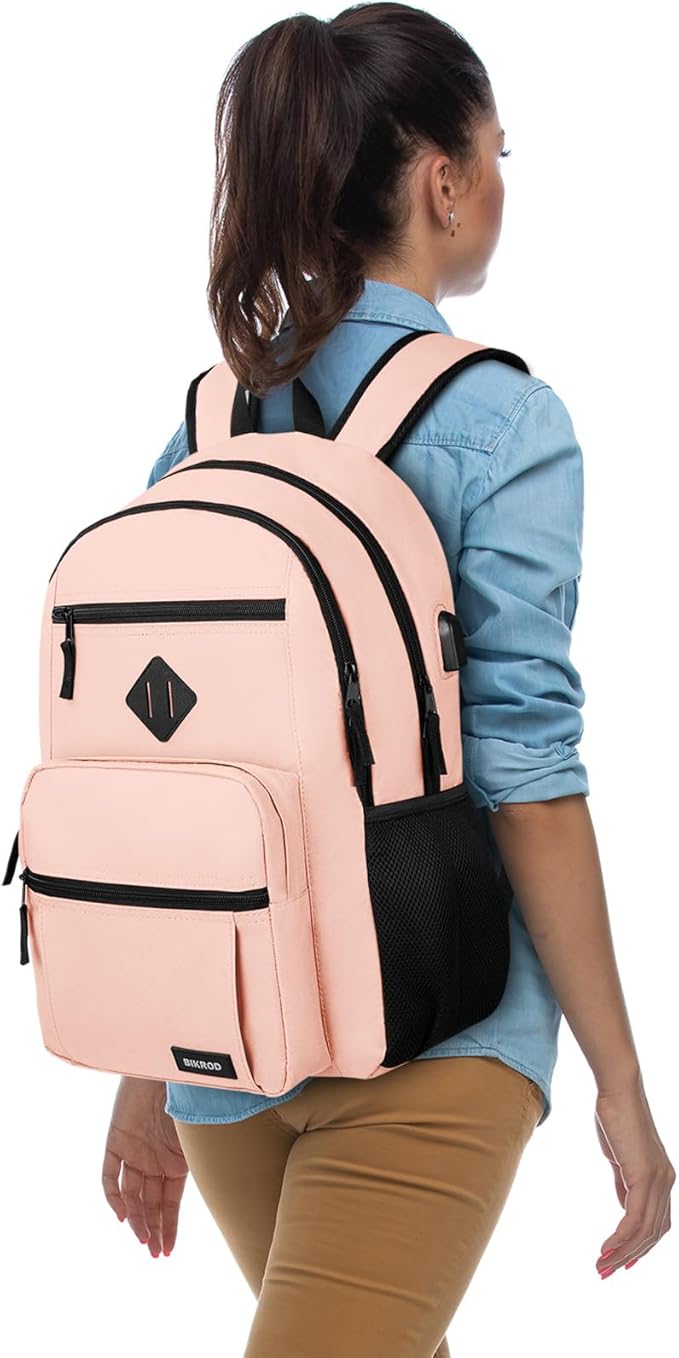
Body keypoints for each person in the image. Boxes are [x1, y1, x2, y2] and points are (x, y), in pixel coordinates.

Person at [101, 6, 674, 1354]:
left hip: (227, 1038)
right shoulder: (502, 421)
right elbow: (529, 780)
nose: (501, 184)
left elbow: (172, 756)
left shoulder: (209, 419)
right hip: (435, 1024)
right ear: (442, 181)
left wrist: (149, 1059)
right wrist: (622, 1085)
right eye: (499, 154)